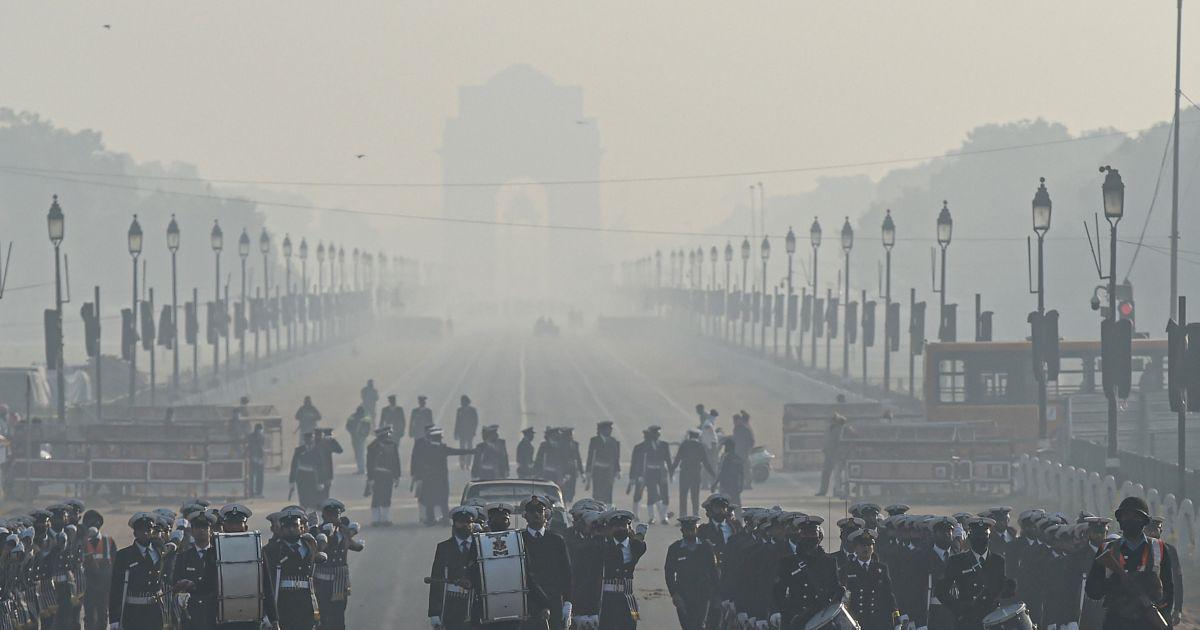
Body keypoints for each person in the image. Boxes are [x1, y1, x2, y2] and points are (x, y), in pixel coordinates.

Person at [1085, 496, 1175, 630]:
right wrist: (1111, 584)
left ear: (1144, 521)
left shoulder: (1160, 548)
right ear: (1120, 520)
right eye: (1126, 516)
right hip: (1116, 621)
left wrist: (1163, 616)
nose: (1130, 520)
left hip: (1148, 622)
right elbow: (1092, 591)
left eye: (1136, 517)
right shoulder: (1107, 549)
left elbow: (1168, 591)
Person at [936, 517, 1013, 630]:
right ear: (969, 537)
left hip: (993, 620)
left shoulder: (998, 561)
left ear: (989, 537)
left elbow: (1003, 588)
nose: (980, 539)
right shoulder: (957, 561)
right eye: (977, 535)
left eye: (984, 535)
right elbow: (941, 591)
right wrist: (959, 609)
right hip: (967, 620)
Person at [773, 515, 842, 629]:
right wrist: (783, 612)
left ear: (820, 537)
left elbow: (834, 589)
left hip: (821, 619)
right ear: (800, 536)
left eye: (813, 533)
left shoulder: (829, 562)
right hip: (797, 618)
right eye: (805, 533)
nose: (809, 537)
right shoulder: (788, 563)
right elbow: (778, 592)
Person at [521, 496, 573, 630]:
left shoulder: (556, 540)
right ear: (525, 516)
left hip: (554, 600)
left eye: (540, 511)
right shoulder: (519, 540)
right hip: (528, 602)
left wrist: (568, 601)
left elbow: (566, 573)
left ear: (546, 515)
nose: (536, 514)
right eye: (532, 511)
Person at [263, 508, 320, 630]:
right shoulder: (273, 550)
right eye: (287, 526)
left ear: (301, 527)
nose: (291, 529)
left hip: (306, 601)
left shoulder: (309, 545)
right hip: (284, 601)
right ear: (281, 529)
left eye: (295, 525)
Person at [109, 513, 166, 630]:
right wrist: (114, 618)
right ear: (135, 532)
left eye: (148, 529)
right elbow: (116, 588)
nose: (145, 533)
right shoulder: (124, 555)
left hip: (155, 611)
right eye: (141, 530)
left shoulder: (159, 551)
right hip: (133, 612)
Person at [410, 428, 477, 525]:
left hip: (429, 478)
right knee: (443, 500)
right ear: (439, 438)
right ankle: (445, 519)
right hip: (442, 479)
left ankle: (430, 519)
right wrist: (473, 451)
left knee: (430, 499)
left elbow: (418, 462)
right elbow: (458, 451)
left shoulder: (425, 449)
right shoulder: (442, 448)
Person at [314, 499, 363, 630]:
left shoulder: (344, 531)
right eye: (330, 515)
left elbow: (352, 545)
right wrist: (326, 535)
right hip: (323, 581)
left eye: (336, 515)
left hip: (340, 581)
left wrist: (359, 544)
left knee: (339, 614)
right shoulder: (319, 532)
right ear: (324, 516)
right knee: (324, 615)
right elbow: (318, 550)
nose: (333, 518)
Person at [838, 529, 901, 630]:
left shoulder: (881, 569)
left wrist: (896, 618)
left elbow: (889, 595)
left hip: (878, 622)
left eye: (869, 545)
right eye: (862, 545)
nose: (866, 548)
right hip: (856, 621)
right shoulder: (847, 569)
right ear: (855, 548)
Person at [664, 516, 718, 630]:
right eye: (687, 530)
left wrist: (716, 593)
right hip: (683, 596)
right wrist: (674, 594)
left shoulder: (706, 547)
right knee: (687, 626)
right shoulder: (674, 548)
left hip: (703, 594)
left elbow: (713, 571)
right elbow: (669, 573)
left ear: (696, 529)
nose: (690, 532)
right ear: (682, 531)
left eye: (692, 529)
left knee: (700, 625)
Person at [428, 507, 478, 630]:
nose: (465, 525)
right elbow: (436, 580)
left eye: (468, 522)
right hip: (452, 604)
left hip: (477, 603)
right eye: (461, 522)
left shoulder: (481, 545)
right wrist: (434, 613)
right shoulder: (444, 548)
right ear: (454, 524)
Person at [598, 510, 645, 630]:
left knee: (631, 624)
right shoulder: (603, 547)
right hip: (607, 599)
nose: (620, 529)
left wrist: (638, 534)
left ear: (629, 527)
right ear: (610, 528)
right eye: (616, 526)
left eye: (623, 526)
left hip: (629, 600)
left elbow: (640, 542)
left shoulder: (636, 546)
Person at [172, 511, 219, 630]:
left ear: (211, 531)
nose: (201, 530)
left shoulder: (218, 556)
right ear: (192, 531)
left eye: (205, 527)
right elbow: (175, 582)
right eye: (197, 527)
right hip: (191, 613)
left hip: (214, 611)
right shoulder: (183, 557)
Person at [1146, 516, 1184, 627]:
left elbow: (1177, 581)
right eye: (1149, 530)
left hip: (1164, 603)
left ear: (1160, 531)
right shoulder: (1140, 549)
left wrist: (1178, 609)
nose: (1152, 533)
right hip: (1142, 602)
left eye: (1155, 530)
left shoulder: (1169, 550)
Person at [629, 426, 671, 524]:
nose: (658, 435)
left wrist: (671, 472)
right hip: (649, 472)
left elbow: (668, 460)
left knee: (665, 495)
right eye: (656, 433)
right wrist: (634, 476)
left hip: (661, 472)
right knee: (652, 495)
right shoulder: (642, 446)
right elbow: (636, 463)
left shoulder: (664, 445)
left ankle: (663, 515)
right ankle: (655, 516)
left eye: (658, 433)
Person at [82, 509, 116, 630]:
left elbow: (115, 565)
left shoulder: (109, 541)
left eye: (95, 521)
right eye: (89, 521)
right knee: (89, 616)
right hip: (87, 586)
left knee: (103, 615)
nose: (92, 524)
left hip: (105, 586)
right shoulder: (81, 542)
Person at [672, 429, 715, 518]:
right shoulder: (700, 445)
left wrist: (671, 470)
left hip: (684, 473)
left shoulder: (684, 444)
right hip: (695, 473)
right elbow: (706, 462)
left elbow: (677, 459)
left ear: (690, 436)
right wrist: (713, 474)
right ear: (698, 436)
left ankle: (683, 516)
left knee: (683, 496)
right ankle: (695, 515)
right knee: (695, 496)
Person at [366, 426, 402, 526]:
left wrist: (397, 476)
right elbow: (369, 464)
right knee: (376, 497)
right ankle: (376, 519)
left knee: (387, 496)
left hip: (388, 475)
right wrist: (370, 478)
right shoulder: (372, 447)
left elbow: (396, 461)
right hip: (377, 475)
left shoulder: (392, 445)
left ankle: (385, 519)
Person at [816, 414, 852, 497]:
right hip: (829, 454)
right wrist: (824, 449)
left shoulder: (842, 429)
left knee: (838, 474)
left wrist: (843, 453)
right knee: (826, 473)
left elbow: (843, 442)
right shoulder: (829, 428)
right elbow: (826, 440)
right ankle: (823, 491)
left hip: (837, 455)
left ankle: (838, 491)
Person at [586, 422, 621, 505]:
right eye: (608, 429)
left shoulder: (614, 441)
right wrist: (588, 471)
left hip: (609, 471)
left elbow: (616, 457)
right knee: (598, 492)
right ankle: (598, 507)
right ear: (602, 430)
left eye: (611, 429)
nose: (610, 431)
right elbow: (591, 456)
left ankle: (608, 508)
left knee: (608, 491)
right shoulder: (595, 441)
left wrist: (618, 470)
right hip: (598, 470)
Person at [289, 432, 324, 510]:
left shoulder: (317, 450)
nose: (309, 440)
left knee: (312, 495)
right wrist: (292, 481)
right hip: (301, 475)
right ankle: (303, 510)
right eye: (307, 439)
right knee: (302, 494)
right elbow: (294, 466)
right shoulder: (299, 450)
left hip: (312, 475)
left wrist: (321, 481)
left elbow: (320, 467)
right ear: (304, 440)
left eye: (311, 438)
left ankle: (311, 511)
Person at [711, 439, 744, 507]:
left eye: (726, 446)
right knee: (736, 505)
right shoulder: (738, 458)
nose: (725, 448)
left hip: (725, 485)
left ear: (729, 447)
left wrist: (715, 483)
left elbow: (722, 472)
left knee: (723, 505)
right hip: (735, 485)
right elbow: (742, 473)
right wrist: (741, 485)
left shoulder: (726, 457)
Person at [314, 427, 344, 503]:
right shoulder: (318, 443)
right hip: (317, 471)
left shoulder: (330, 443)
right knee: (318, 492)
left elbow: (340, 450)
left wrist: (333, 441)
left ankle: (323, 504)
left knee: (326, 491)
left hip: (328, 471)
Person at [453, 395, 479, 471]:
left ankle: (467, 463)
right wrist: (456, 432)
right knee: (463, 447)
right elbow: (457, 422)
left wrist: (473, 430)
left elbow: (475, 421)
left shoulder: (472, 410)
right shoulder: (459, 410)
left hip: (469, 432)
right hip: (463, 432)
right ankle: (463, 462)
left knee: (468, 447)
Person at [344, 406, 372, 475]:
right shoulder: (365, 417)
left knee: (359, 453)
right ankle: (361, 468)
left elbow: (347, 426)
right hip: (358, 437)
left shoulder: (353, 416)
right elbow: (368, 428)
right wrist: (364, 434)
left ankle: (361, 469)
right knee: (359, 453)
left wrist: (352, 432)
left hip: (357, 437)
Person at [731, 411, 754, 491]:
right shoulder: (736, 428)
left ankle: (748, 484)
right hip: (737, 451)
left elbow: (751, 440)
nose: (734, 423)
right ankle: (742, 483)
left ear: (739, 420)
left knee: (746, 468)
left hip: (744, 451)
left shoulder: (744, 428)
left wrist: (748, 449)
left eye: (735, 421)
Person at [246, 423, 266, 498]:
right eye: (260, 430)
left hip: (257, 458)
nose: (260, 432)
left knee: (257, 476)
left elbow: (262, 448)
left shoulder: (261, 437)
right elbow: (251, 447)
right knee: (253, 476)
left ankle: (257, 492)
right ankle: (254, 492)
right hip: (254, 458)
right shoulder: (255, 437)